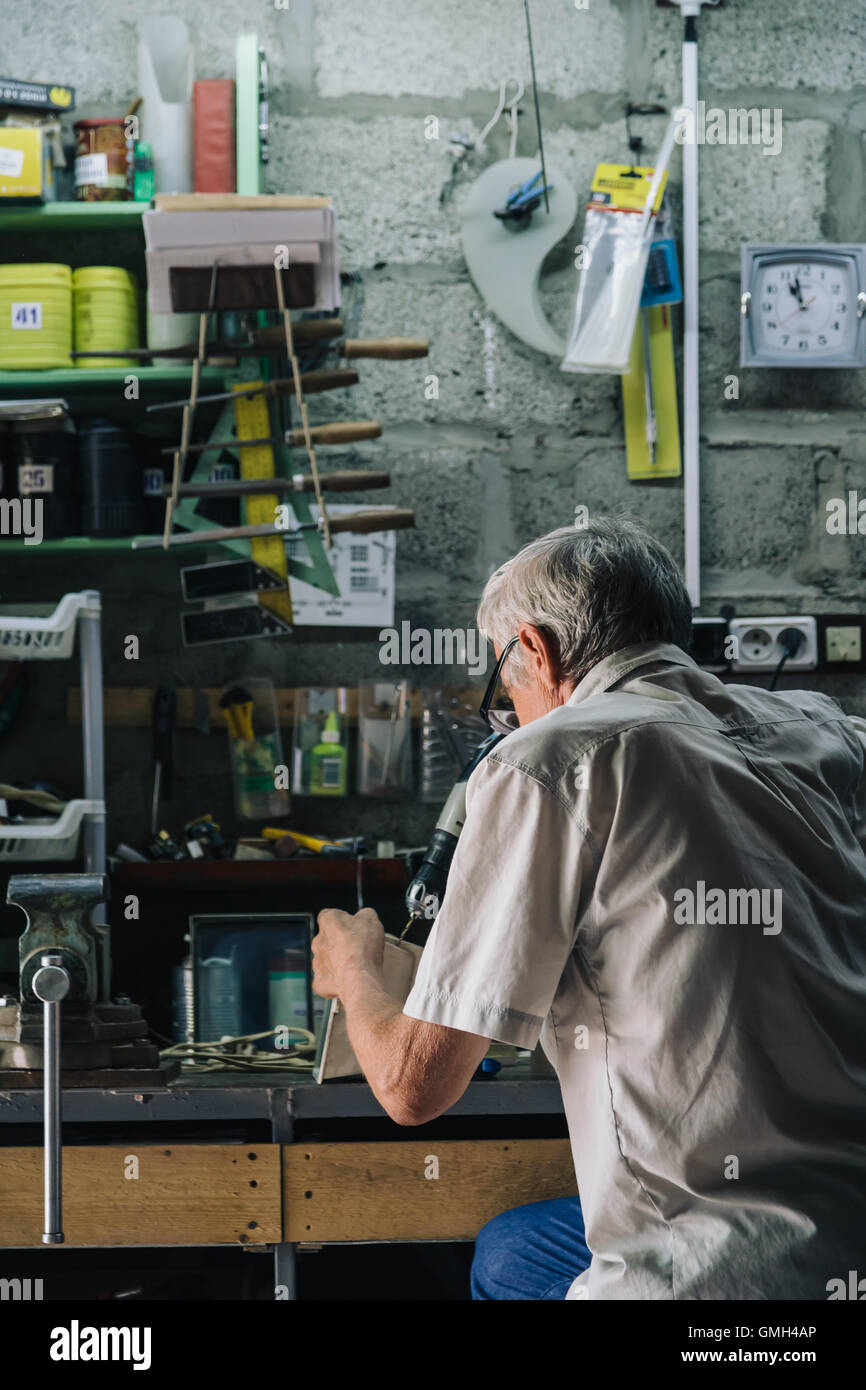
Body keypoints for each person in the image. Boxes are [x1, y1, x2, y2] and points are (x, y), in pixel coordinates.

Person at [312, 516, 866, 1300]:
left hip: (709, 1271)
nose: (509, 712)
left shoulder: (549, 760)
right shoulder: (829, 734)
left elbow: (412, 1089)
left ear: (535, 650)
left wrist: (357, 970)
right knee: (511, 1253)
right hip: (846, 1232)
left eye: (506, 685)